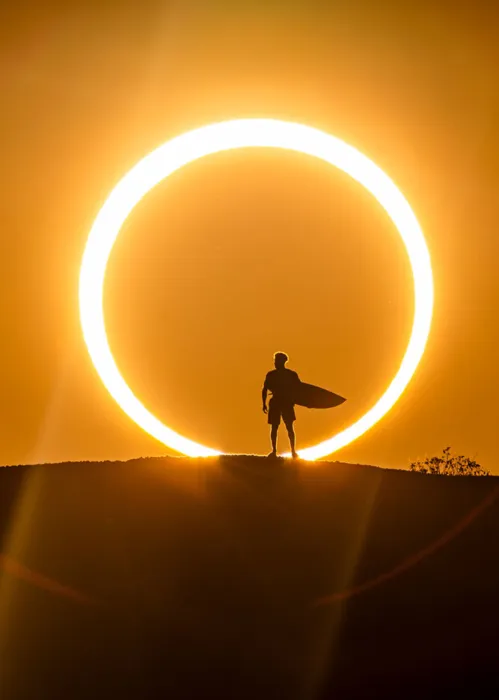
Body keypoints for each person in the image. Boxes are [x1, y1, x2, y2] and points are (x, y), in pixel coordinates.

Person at [262, 352, 300, 458]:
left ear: (282, 362)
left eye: (276, 361)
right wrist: (264, 404)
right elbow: (264, 389)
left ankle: (293, 451)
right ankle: (274, 451)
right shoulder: (271, 375)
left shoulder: (291, 375)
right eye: (275, 361)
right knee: (275, 427)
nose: (275, 363)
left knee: (289, 428)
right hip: (277, 403)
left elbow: (299, 389)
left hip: (286, 403)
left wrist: (294, 400)